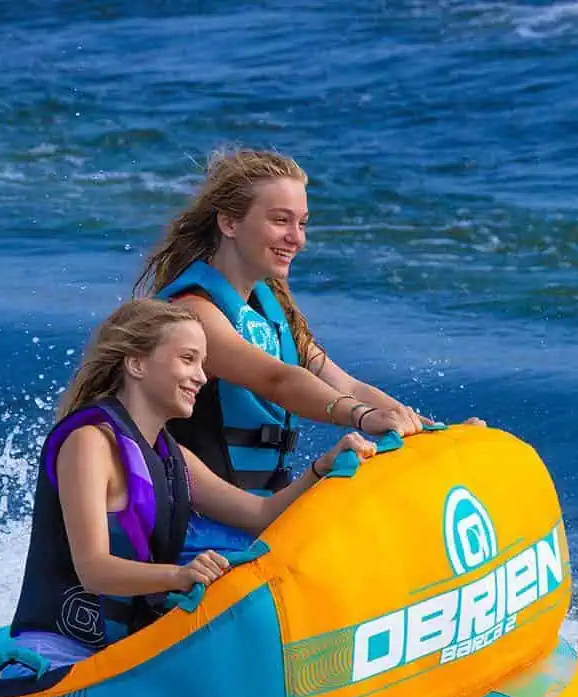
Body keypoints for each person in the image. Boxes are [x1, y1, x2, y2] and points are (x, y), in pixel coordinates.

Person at [5, 299, 374, 675]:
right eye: (188, 359)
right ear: (136, 364)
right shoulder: (90, 444)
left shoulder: (172, 457)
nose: (201, 376)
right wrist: (179, 575)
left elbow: (260, 514)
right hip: (59, 653)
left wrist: (322, 467)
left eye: (203, 363)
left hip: (123, 650)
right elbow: (93, 569)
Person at [136, 149, 472, 517]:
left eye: (302, 223)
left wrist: (419, 427)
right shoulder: (194, 312)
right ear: (229, 224)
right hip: (199, 524)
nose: (297, 239)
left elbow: (345, 384)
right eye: (281, 220)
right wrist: (361, 417)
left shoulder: (270, 306)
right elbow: (276, 379)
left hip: (266, 509)